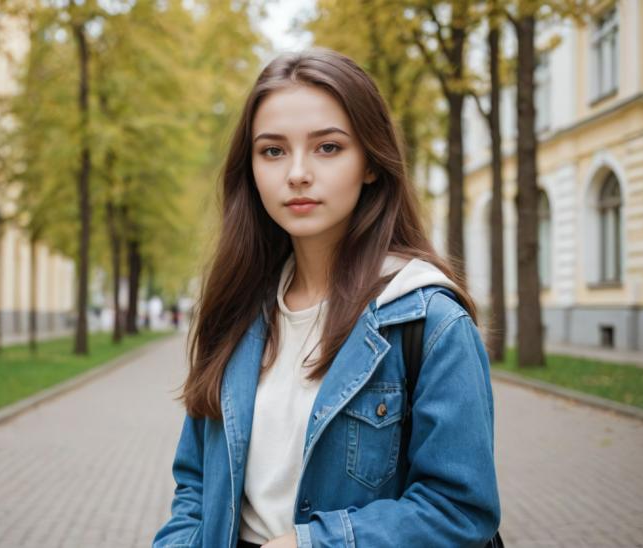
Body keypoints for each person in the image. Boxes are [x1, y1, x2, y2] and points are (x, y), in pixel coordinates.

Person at [153, 49, 500, 548]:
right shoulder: (236, 310)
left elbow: (460, 509)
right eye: (272, 151)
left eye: (328, 148)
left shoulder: (429, 320)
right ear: (249, 168)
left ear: (371, 165)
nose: (296, 173)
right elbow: (196, 484)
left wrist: (314, 544)